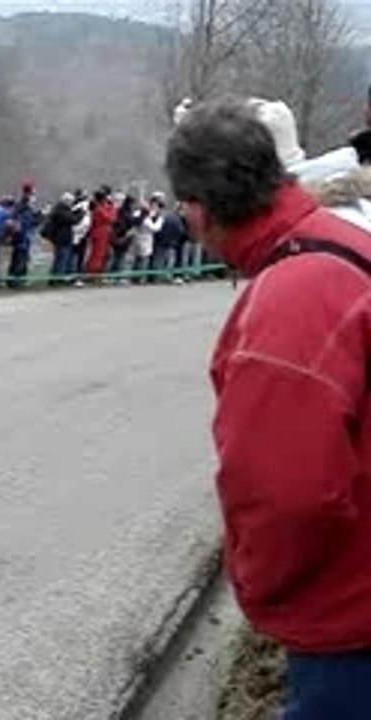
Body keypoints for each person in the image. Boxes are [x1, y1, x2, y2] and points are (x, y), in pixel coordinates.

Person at [166, 98, 371, 720]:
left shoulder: (291, 300)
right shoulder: (343, 243)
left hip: (351, 621)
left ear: (197, 211)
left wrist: (261, 590)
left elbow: (288, 492)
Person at [42, 191, 81, 281]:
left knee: (60, 259)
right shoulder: (60, 210)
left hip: (62, 238)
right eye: (71, 202)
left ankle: (56, 278)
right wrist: (80, 214)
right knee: (61, 260)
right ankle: (57, 279)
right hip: (61, 239)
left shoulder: (62, 209)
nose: (71, 204)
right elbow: (72, 220)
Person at [8, 182, 41, 288]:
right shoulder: (24, 206)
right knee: (20, 259)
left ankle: (16, 280)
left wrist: (39, 215)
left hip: (22, 237)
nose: (34, 196)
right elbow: (29, 221)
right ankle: (16, 281)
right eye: (33, 193)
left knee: (19, 258)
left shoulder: (23, 206)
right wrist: (41, 217)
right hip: (22, 237)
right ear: (28, 193)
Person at [85, 187, 117, 277]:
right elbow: (111, 218)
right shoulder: (99, 209)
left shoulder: (99, 207)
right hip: (100, 233)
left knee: (101, 254)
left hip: (101, 233)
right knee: (96, 255)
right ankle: (92, 273)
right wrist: (113, 207)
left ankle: (96, 273)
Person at [109, 194, 137, 280]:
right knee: (120, 257)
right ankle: (118, 276)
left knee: (117, 257)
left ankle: (113, 276)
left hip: (119, 237)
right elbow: (128, 223)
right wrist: (128, 232)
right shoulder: (126, 212)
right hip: (122, 237)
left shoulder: (121, 211)